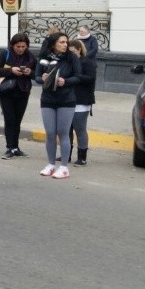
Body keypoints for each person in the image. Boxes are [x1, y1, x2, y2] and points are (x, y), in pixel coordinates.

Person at [34, 32, 82, 179]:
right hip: (48, 99)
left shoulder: (71, 58)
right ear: (54, 43)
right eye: (61, 42)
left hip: (66, 100)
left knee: (63, 132)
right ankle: (50, 164)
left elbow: (78, 77)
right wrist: (42, 79)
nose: (65, 45)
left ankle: (64, 167)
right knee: (49, 132)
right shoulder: (44, 58)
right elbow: (36, 77)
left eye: (66, 42)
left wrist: (65, 82)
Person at [0, 33, 37, 159]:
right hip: (6, 92)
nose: (21, 49)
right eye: (18, 46)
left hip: (23, 91)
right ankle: (10, 148)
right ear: (13, 45)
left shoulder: (31, 57)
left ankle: (16, 147)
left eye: (23, 46)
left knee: (17, 121)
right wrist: (11, 70)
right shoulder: (5, 54)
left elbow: (37, 73)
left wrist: (29, 72)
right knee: (10, 119)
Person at [67, 38, 96, 166]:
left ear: (79, 50)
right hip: (67, 99)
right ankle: (66, 155)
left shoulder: (87, 62)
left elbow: (90, 79)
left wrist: (76, 76)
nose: (70, 54)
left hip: (82, 100)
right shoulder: (67, 63)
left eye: (72, 51)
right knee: (66, 129)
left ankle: (82, 157)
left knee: (79, 128)